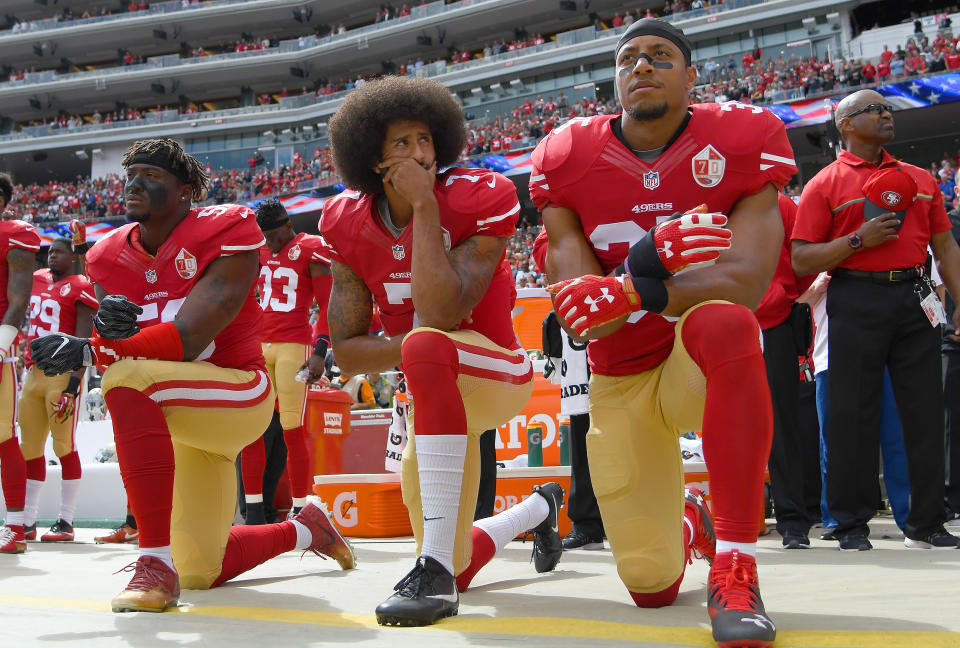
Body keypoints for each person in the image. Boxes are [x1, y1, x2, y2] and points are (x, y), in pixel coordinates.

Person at [530, 19, 797, 648]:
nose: (642, 66)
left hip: (695, 361)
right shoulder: (568, 155)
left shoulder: (741, 137)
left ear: (692, 76)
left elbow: (747, 285)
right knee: (650, 587)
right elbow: (584, 314)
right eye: (628, 59)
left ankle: (735, 563)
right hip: (621, 374)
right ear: (615, 80)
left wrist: (635, 282)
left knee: (727, 320)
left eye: (660, 56)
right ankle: (686, 523)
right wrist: (646, 264)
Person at [29, 137, 355, 613]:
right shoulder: (106, 255)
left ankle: (154, 562)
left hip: (238, 391)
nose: (135, 183)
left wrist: (91, 352)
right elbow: (124, 346)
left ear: (185, 192)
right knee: (202, 569)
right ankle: (306, 527)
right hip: (180, 408)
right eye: (131, 175)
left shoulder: (228, 228)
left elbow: (188, 335)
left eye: (152, 176)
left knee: (124, 379)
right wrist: (101, 341)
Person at [319, 76, 562, 627]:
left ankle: (430, 569)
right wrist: (412, 351)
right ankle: (537, 510)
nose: (419, 153)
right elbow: (350, 353)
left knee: (428, 343)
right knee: (456, 559)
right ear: (370, 156)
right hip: (428, 388)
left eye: (426, 139)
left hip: (496, 372)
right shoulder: (346, 221)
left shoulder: (480, 195)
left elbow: (444, 313)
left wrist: (425, 208)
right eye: (400, 143)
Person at [791, 89, 960, 551]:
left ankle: (926, 522)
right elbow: (802, 258)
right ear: (845, 124)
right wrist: (857, 241)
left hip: (914, 296)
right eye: (873, 109)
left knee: (923, 413)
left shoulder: (921, 179)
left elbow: (945, 248)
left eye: (888, 109)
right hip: (854, 296)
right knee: (850, 415)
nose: (886, 114)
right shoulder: (822, 184)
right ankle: (848, 524)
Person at [239, 198, 330, 525]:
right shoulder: (257, 250)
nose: (268, 243)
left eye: (273, 237)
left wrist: (321, 351)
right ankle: (252, 512)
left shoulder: (309, 247)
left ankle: (300, 509)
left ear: (288, 227)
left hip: (294, 346)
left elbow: (327, 302)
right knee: (252, 429)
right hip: (257, 346)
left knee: (292, 427)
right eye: (263, 237)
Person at [19, 237, 98, 543]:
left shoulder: (79, 285)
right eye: (50, 252)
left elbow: (82, 341)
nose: (52, 256)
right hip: (33, 373)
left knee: (63, 446)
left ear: (73, 257)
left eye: (59, 252)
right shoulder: (38, 279)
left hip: (61, 373)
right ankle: (26, 520)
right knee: (30, 448)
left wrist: (74, 384)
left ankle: (66, 520)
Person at [533, 229, 605, 550]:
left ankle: (645, 518)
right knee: (583, 435)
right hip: (583, 333)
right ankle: (588, 522)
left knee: (637, 431)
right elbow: (544, 254)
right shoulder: (561, 218)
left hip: (628, 323)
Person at [753, 195, 816, 548]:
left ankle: (793, 520)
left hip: (774, 325)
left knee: (783, 424)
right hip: (721, 321)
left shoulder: (782, 205)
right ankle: (741, 517)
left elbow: (803, 264)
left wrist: (782, 296)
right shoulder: (709, 198)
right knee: (728, 425)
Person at [0, 172, 42, 555]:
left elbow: (19, 296)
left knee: (3, 434)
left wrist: (2, 342)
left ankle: (14, 526)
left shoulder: (14, 233)